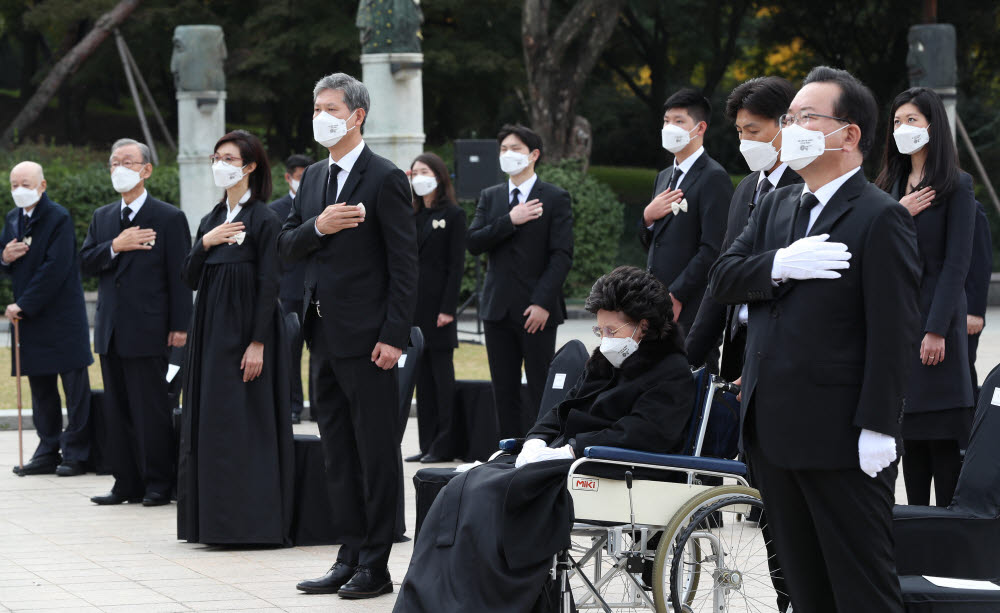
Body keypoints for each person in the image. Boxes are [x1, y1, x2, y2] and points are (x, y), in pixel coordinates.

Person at [709, 66, 921, 612]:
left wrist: (879, 425)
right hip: (772, 432)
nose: (793, 127)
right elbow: (724, 278)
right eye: (790, 117)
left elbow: (894, 332)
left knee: (860, 587)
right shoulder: (780, 205)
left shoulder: (881, 217)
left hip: (841, 439)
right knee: (801, 588)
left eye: (807, 117)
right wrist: (778, 263)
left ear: (848, 134)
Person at [394, 265, 694, 613]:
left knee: (489, 492)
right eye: (600, 329)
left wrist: (572, 449)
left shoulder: (670, 373)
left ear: (643, 325)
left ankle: (481, 601)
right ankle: (435, 599)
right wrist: (536, 439)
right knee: (456, 484)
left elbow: (644, 433)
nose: (604, 338)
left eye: (611, 329)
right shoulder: (606, 360)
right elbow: (563, 408)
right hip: (571, 458)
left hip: (611, 465)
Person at [280, 73, 417, 599]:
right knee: (337, 453)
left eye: (330, 107)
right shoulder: (314, 177)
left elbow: (406, 265)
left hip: (371, 341)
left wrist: (395, 335)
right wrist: (321, 226)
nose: (321, 116)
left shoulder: (384, 177)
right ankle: (348, 554)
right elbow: (287, 244)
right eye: (316, 107)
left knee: (376, 453)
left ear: (357, 115)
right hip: (322, 336)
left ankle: (377, 565)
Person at [176, 130, 293, 545]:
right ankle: (210, 522)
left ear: (249, 166)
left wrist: (258, 342)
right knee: (209, 422)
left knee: (244, 424)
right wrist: (205, 242)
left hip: (246, 336)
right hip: (209, 335)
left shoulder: (264, 218)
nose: (219, 164)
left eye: (228, 158)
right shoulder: (211, 218)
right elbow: (189, 276)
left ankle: (247, 523)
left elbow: (269, 283)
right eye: (216, 156)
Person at [874, 87, 976, 508]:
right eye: (897, 122)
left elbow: (956, 265)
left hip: (937, 328)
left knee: (942, 445)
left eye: (912, 120)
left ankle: (948, 544)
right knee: (910, 446)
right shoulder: (886, 186)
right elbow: (872, 251)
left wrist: (936, 329)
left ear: (933, 125)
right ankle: (915, 539)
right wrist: (898, 212)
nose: (903, 129)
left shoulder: (957, 186)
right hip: (897, 324)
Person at [80, 139, 192, 505]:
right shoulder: (103, 217)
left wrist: (180, 326)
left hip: (150, 329)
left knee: (151, 410)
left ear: (146, 169)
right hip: (111, 330)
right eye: (114, 162)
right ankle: (124, 482)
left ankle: (158, 482)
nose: (119, 168)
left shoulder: (168, 217)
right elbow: (85, 262)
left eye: (127, 162)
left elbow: (181, 277)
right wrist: (117, 245)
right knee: (118, 409)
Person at [686, 76, 801, 381]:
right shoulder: (746, 189)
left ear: (786, 125)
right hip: (738, 344)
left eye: (753, 131)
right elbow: (721, 274)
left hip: (783, 351)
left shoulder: (805, 188)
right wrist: (688, 356)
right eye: (740, 132)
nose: (745, 141)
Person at [466, 124, 573, 439]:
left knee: (541, 385)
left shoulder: (555, 197)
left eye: (515, 149)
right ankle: (507, 453)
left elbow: (562, 256)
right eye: (503, 150)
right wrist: (509, 221)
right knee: (504, 387)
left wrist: (541, 302)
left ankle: (540, 449)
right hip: (497, 309)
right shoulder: (491, 196)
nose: (508, 155)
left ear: (534, 155)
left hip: (537, 311)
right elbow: (473, 241)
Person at [4, 161, 92, 477]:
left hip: (61, 315)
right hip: (31, 319)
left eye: (25, 183)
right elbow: (7, 256)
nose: (19, 190)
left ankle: (77, 451)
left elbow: (55, 268)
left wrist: (22, 305)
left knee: (74, 388)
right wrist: (4, 257)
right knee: (41, 387)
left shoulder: (58, 217)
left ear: (42, 186)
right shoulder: (14, 218)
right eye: (14, 185)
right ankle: (47, 448)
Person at [640, 88, 733, 340]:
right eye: (666, 121)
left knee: (690, 369)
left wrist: (677, 294)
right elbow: (654, 242)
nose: (670, 127)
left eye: (679, 121)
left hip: (692, 303)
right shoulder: (663, 177)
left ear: (700, 128)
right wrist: (648, 218)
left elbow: (714, 247)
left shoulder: (713, 177)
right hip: (655, 299)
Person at [406, 152, 466, 464]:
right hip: (414, 308)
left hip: (439, 310)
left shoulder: (453, 215)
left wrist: (448, 308)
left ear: (439, 176)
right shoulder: (411, 215)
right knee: (422, 380)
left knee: (442, 380)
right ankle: (427, 442)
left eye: (424, 171)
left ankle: (445, 443)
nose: (418, 177)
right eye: (414, 172)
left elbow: (456, 267)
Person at [268, 153, 314, 424]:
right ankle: (293, 406)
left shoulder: (322, 201)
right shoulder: (276, 209)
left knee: (320, 354)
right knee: (289, 351)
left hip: (318, 289)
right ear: (288, 177)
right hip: (288, 288)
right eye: (298, 177)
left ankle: (319, 406)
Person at [965, 199, 992, 402]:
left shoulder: (971, 207)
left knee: (964, 370)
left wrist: (975, 311)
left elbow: (981, 261)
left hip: (965, 311)